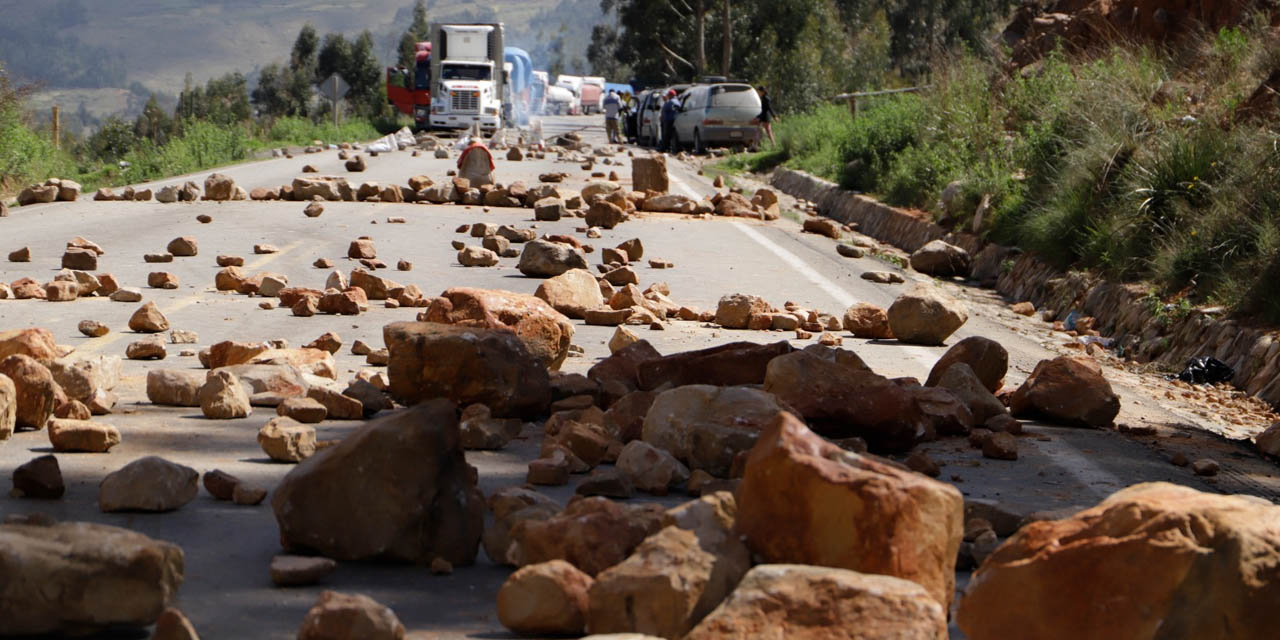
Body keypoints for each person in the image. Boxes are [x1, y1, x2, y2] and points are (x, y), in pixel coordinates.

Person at [660, 89, 681, 153]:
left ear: (671, 95)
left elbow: (665, 110)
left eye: (668, 95)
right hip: (675, 120)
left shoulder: (670, 102)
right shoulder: (678, 102)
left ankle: (665, 148)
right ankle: (671, 147)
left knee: (666, 135)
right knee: (672, 135)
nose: (668, 96)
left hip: (668, 121)